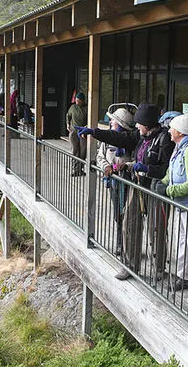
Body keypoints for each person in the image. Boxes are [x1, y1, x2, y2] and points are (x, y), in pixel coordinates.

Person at [77, 103, 174, 281]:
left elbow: (167, 169)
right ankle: (130, 267)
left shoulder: (164, 140)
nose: (136, 126)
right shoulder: (140, 136)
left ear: (147, 123)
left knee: (157, 229)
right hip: (137, 186)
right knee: (130, 223)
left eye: (139, 123)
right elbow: (118, 137)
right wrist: (94, 132)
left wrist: (147, 168)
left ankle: (160, 269)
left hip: (156, 191)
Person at [155, 114, 188, 291]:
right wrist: (164, 182)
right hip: (184, 205)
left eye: (172, 128)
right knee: (183, 241)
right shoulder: (180, 147)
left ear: (180, 132)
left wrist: (168, 191)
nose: (169, 130)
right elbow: (172, 171)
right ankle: (184, 277)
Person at [96, 108, 135, 256]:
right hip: (114, 182)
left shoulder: (131, 142)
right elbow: (100, 156)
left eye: (113, 120)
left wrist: (127, 166)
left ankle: (128, 246)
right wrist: (106, 166)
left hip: (128, 181)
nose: (110, 122)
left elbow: (136, 159)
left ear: (119, 124)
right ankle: (120, 243)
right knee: (118, 214)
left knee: (129, 215)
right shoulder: (107, 141)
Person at [66, 92, 88, 176]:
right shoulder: (72, 107)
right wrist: (67, 124)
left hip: (83, 132)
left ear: (82, 101)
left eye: (78, 100)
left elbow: (89, 119)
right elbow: (68, 115)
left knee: (83, 151)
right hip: (73, 131)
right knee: (75, 150)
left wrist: (86, 127)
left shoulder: (86, 108)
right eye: (76, 100)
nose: (77, 102)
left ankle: (80, 169)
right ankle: (75, 169)